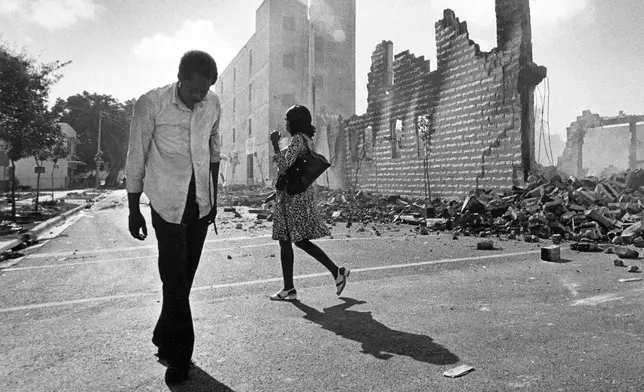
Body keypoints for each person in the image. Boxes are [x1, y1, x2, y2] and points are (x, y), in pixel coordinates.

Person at [125, 50, 221, 383]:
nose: (200, 97)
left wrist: (214, 199)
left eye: (205, 90)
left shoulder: (212, 103)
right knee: (174, 280)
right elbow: (136, 154)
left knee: (183, 281)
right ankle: (181, 357)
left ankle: (163, 335)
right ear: (180, 77)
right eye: (195, 89)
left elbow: (213, 148)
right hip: (166, 203)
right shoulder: (150, 103)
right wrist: (133, 207)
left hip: (200, 204)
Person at [269, 104, 350, 301]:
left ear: (294, 122)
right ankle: (290, 287)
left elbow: (283, 166)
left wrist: (274, 144)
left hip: (293, 198)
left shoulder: (297, 140)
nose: (285, 124)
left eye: (287, 120)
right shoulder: (306, 139)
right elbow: (291, 170)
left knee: (295, 240)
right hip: (294, 194)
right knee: (288, 240)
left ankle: (334, 272)